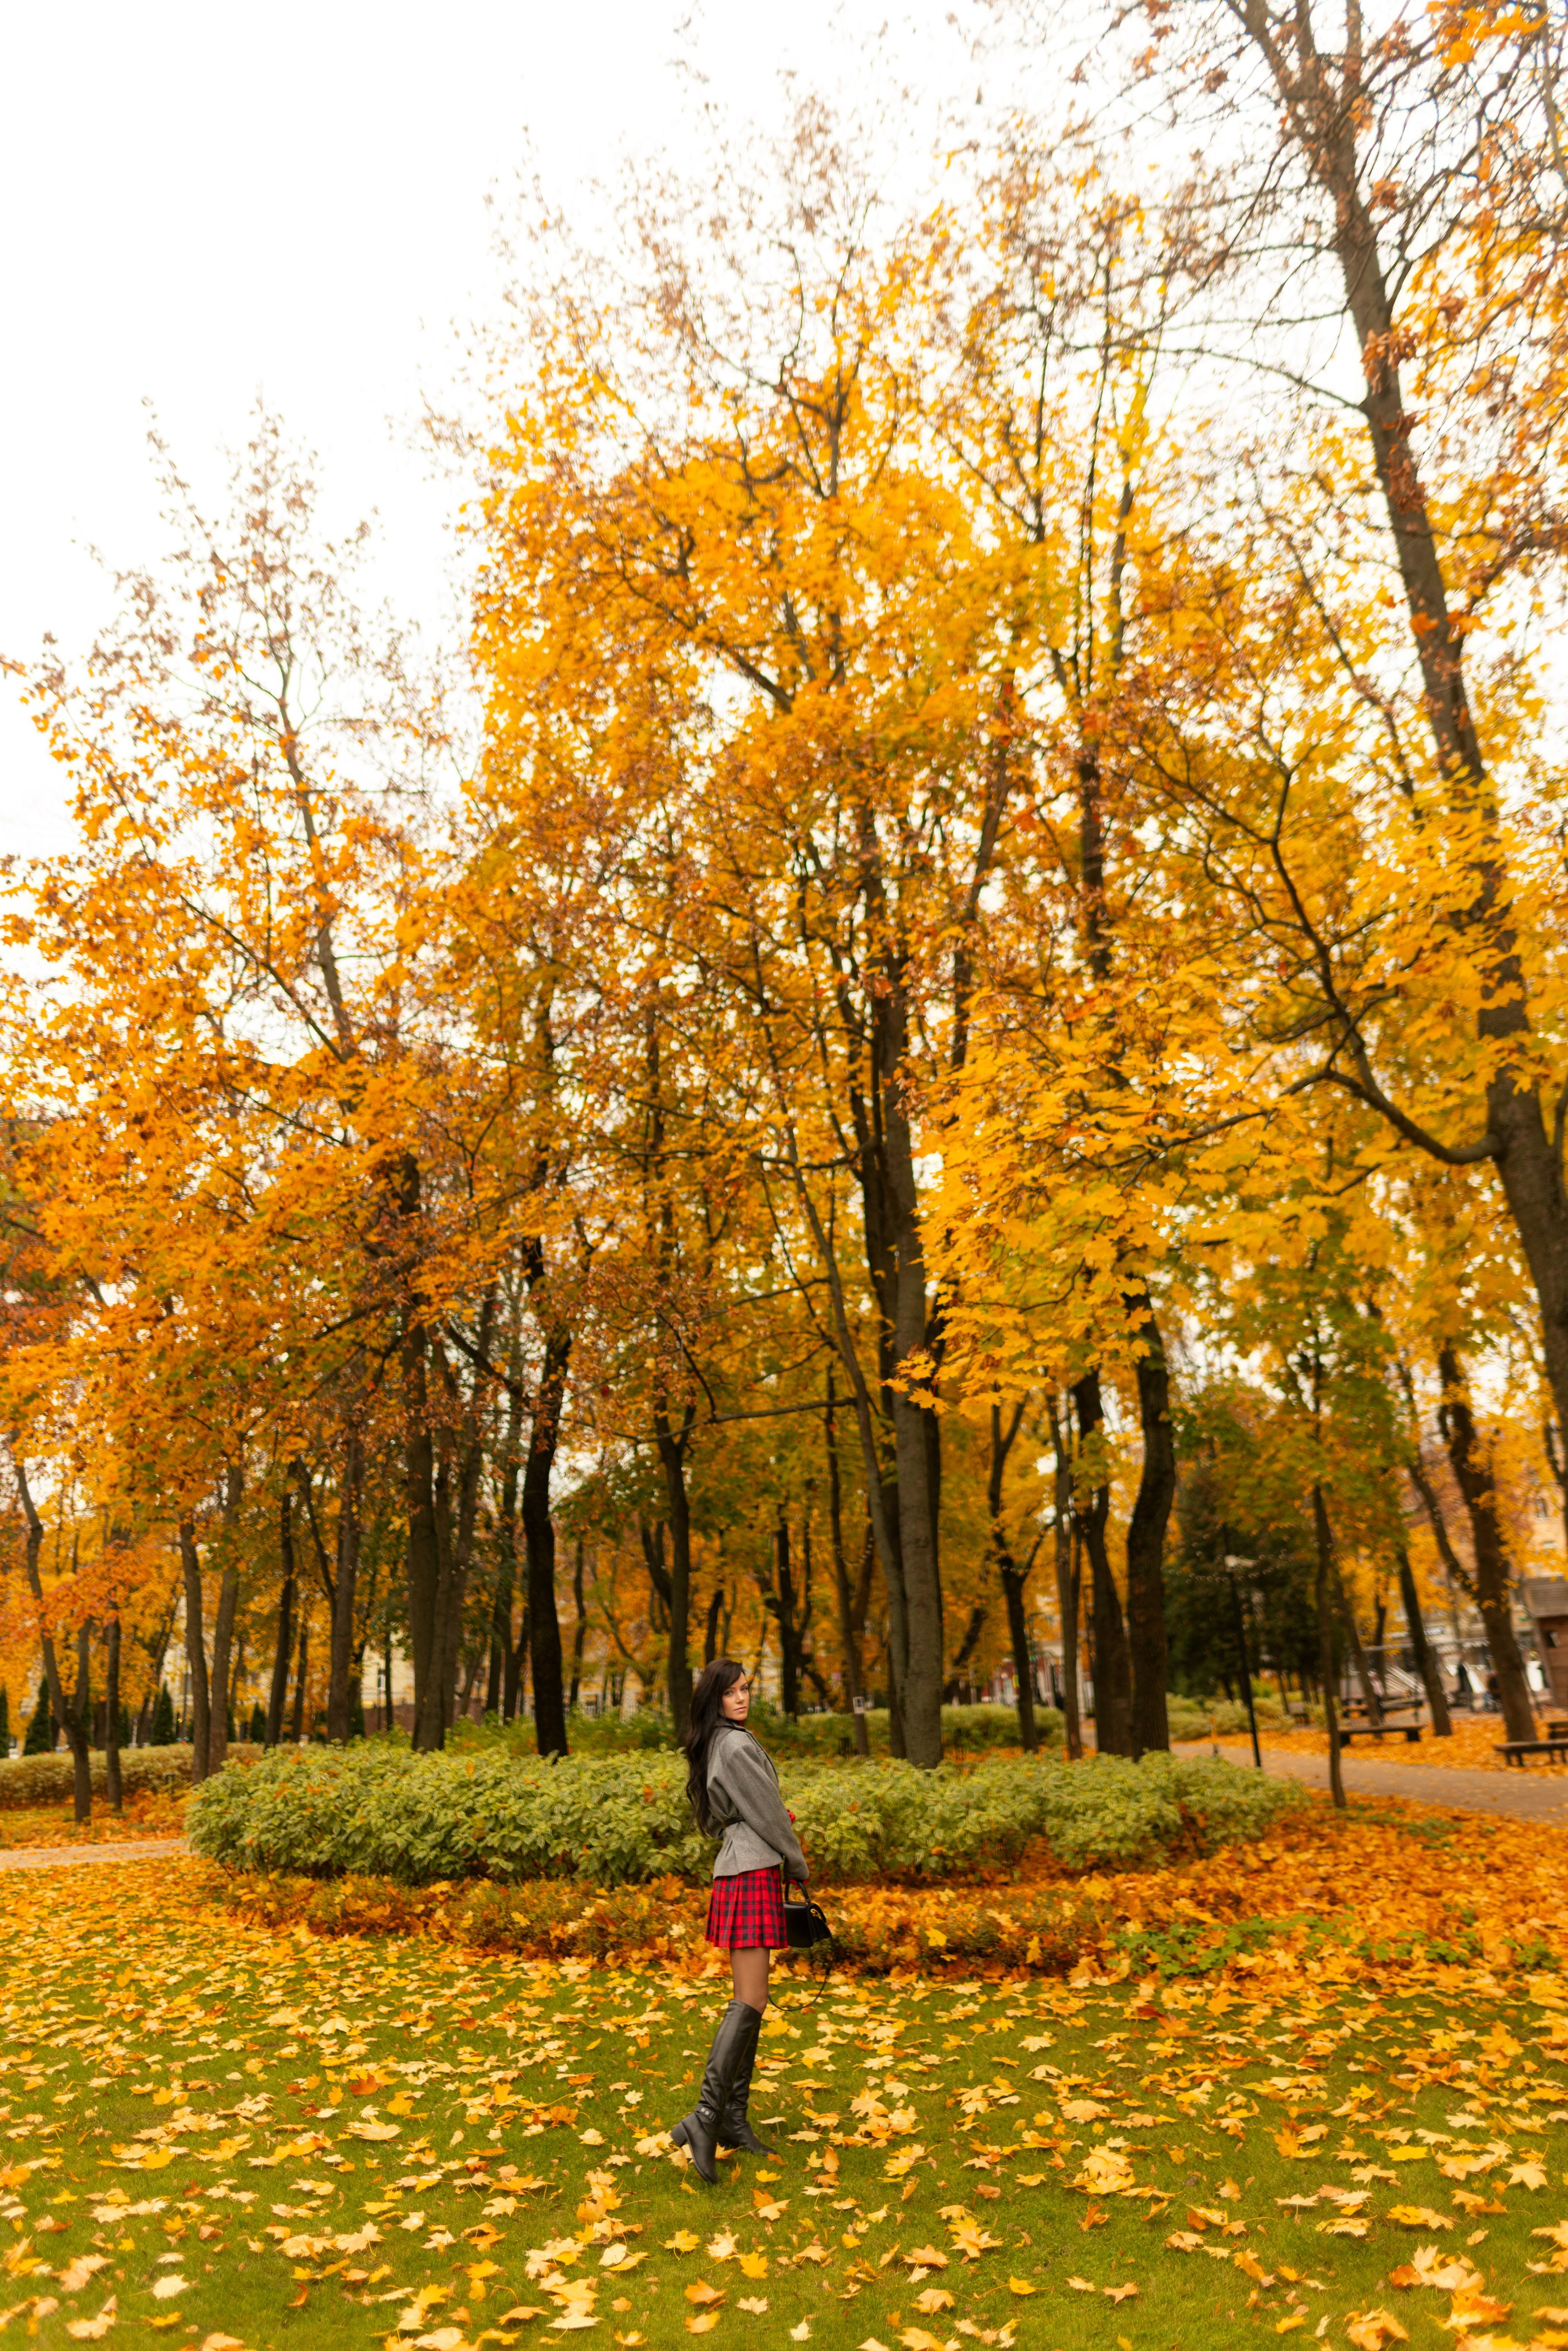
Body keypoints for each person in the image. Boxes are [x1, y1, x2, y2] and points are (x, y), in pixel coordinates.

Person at [669, 1658, 809, 2183]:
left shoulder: (719, 1742)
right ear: (714, 1700)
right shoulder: (735, 1745)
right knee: (750, 2000)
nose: (741, 1699)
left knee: (755, 1999)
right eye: (730, 1694)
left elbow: (716, 1817)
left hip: (742, 1868)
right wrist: (796, 1862)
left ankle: (730, 2119)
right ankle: (705, 2116)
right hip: (752, 1872)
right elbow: (769, 1812)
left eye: (746, 1689)